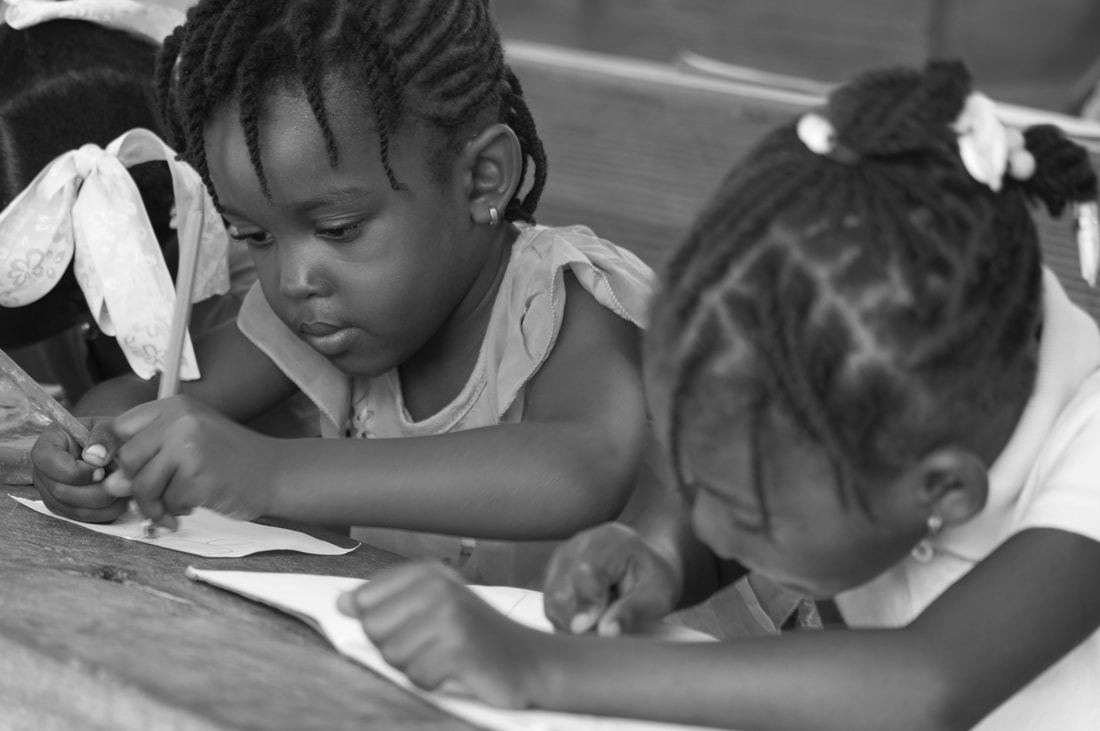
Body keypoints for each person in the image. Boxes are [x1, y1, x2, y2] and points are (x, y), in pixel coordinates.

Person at [337, 60, 1100, 730]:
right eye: (703, 484)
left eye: (748, 513)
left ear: (942, 490)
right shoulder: (888, 380)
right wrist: (663, 553)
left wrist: (537, 665)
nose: (707, 521)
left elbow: (925, 685)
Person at [31, 0, 653, 589]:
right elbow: (143, 401)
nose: (294, 280)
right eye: (255, 236)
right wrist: (96, 447)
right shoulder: (327, 324)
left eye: (338, 229)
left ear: (482, 180)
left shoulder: (566, 301)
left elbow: (582, 468)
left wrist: (269, 471)